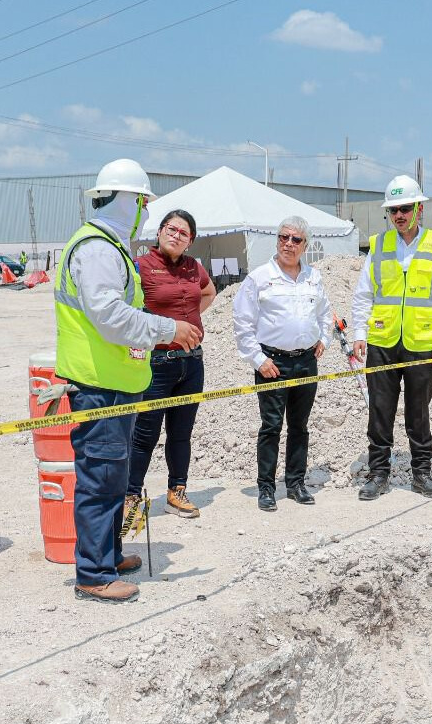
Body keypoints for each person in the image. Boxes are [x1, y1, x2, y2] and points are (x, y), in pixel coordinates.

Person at [55, 159, 201, 603]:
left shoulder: (109, 246)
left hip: (114, 383)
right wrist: (167, 329)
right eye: (143, 202)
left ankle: (109, 555)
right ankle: (94, 574)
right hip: (99, 386)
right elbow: (109, 317)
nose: (145, 212)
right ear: (130, 201)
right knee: (100, 479)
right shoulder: (98, 249)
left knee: (114, 477)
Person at [351, 176, 432, 501]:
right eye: (393, 210)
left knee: (418, 412)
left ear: (419, 208)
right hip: (382, 343)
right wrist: (360, 332)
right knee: (380, 411)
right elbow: (364, 293)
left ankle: (421, 475)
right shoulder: (379, 246)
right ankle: (378, 474)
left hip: (423, 344)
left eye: (405, 208)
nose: (399, 215)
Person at [232, 216, 330, 512]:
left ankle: (296, 483)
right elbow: (242, 322)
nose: (288, 244)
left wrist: (324, 338)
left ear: (305, 245)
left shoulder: (313, 277)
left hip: (306, 362)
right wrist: (258, 360)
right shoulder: (260, 278)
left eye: (295, 239)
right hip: (272, 363)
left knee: (299, 426)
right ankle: (266, 488)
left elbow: (325, 312)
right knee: (271, 427)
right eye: (283, 237)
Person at [126, 209, 214, 521]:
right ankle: (130, 496)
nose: (176, 236)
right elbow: (127, 309)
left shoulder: (194, 267)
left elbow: (209, 292)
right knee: (144, 434)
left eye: (183, 233)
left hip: (192, 363)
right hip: (156, 364)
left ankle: (176, 492)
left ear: (190, 241)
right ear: (160, 231)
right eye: (171, 229)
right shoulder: (140, 265)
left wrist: (190, 320)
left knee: (181, 433)